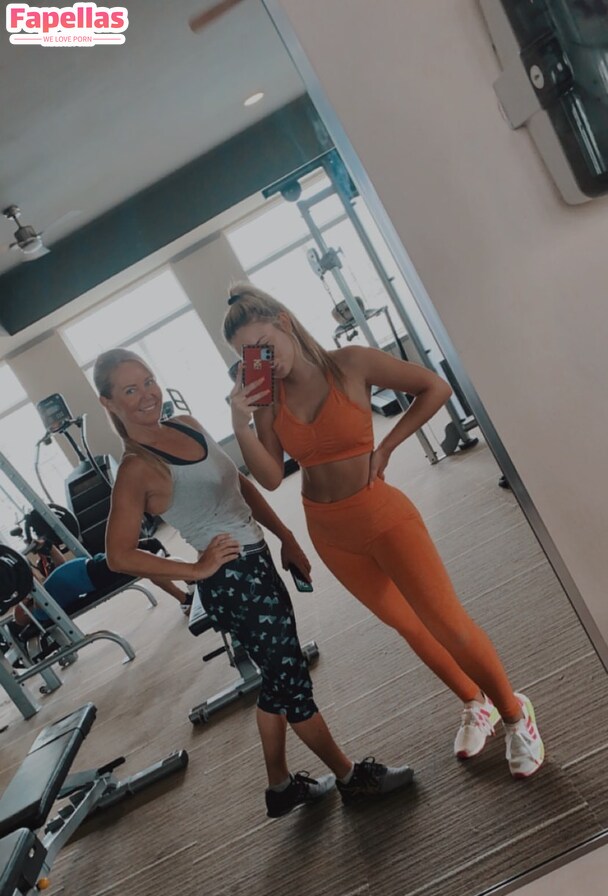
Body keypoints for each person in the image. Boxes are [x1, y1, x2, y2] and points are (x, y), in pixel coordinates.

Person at [223, 284, 545, 780]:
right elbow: (268, 477)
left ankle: (515, 714)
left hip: (382, 513)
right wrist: (238, 420)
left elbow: (434, 388)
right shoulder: (266, 402)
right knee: (409, 627)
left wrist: (389, 445)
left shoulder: (351, 363)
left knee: (449, 625)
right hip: (329, 532)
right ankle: (473, 702)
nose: (262, 360)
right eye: (248, 355)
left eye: (264, 345)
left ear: (284, 322)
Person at [92, 348, 415, 817]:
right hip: (232, 581)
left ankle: (280, 787)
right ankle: (351, 779)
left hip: (257, 560)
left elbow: (240, 485)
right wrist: (196, 570)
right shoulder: (136, 469)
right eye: (129, 390)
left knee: (279, 679)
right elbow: (118, 555)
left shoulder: (186, 424)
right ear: (109, 403)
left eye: (148, 381)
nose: (147, 395)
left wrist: (285, 536)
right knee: (293, 683)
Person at [13, 537, 192, 629]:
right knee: (149, 558)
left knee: (151, 551)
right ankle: (188, 590)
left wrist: (49, 547)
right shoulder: (42, 609)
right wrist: (26, 581)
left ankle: (187, 593)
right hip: (97, 575)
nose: (21, 602)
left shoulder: (45, 591)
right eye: (20, 606)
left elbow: (62, 566)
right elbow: (22, 611)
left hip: (95, 565)